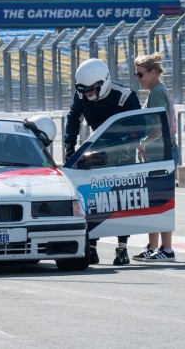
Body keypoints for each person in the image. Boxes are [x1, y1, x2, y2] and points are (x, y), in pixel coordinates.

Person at [64, 58, 141, 266]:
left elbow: (138, 130)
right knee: (94, 201)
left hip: (122, 155)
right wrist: (69, 148)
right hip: (95, 154)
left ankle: (122, 249)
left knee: (121, 202)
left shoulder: (125, 97)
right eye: (84, 91)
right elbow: (73, 118)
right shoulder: (82, 93)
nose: (87, 95)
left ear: (103, 83)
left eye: (91, 91)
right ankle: (92, 247)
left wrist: (123, 146)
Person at [132, 52, 178, 263]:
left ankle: (166, 249)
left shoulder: (157, 92)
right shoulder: (157, 91)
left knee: (160, 202)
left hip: (161, 152)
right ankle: (153, 246)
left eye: (140, 74)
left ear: (152, 73)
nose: (138, 79)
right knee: (153, 202)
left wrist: (144, 142)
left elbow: (161, 127)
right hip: (161, 152)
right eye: (136, 75)